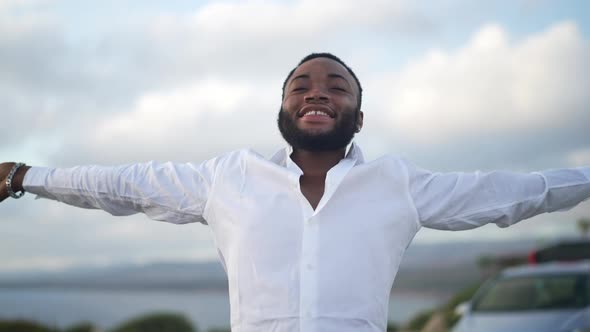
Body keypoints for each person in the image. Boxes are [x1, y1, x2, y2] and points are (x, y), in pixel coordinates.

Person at [1, 52, 589, 332]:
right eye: (300, 86)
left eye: (337, 87)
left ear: (358, 118)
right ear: (282, 110)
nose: (317, 93)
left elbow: (517, 191)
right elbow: (123, 185)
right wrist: (24, 176)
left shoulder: (399, 185)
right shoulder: (228, 178)